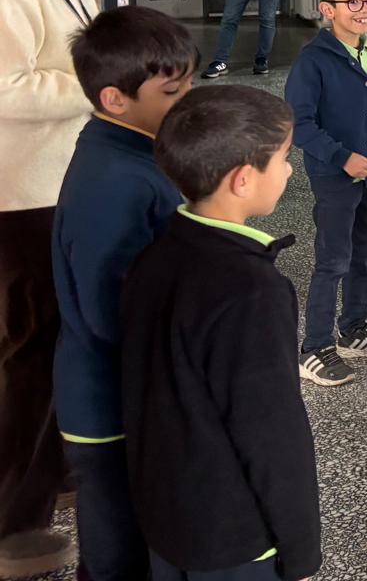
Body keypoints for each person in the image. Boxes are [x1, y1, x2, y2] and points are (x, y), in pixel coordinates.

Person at [121, 86, 321, 581]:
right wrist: (300, 548)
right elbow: (271, 431)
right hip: (233, 534)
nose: (289, 171)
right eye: (283, 159)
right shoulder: (253, 290)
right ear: (242, 180)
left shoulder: (155, 255)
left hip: (164, 513)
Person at [54, 7, 196, 580]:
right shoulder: (117, 181)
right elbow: (110, 310)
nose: (186, 101)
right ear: (115, 99)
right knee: (116, 556)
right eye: (172, 92)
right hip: (109, 405)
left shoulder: (134, 152)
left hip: (128, 393)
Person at [0, 0, 102, 578]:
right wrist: (103, 87)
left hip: (65, 186)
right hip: (22, 199)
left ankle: (56, 466)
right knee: (30, 354)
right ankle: (13, 524)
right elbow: (7, 88)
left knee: (65, 337)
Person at [284, 0, 367, 388]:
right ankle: (314, 347)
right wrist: (341, 158)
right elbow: (299, 123)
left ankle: (354, 328)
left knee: (364, 254)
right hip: (335, 177)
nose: (364, 9)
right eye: (352, 1)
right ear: (327, 9)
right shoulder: (314, 61)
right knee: (333, 260)